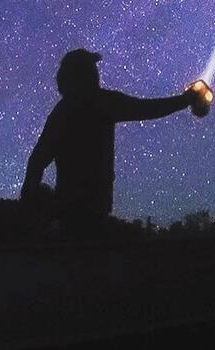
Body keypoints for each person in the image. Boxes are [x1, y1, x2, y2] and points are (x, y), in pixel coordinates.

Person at [20, 49, 201, 227]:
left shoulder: (62, 112)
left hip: (69, 210)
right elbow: (145, 108)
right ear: (84, 74)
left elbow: (37, 160)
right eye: (91, 69)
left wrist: (28, 206)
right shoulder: (101, 102)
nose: (96, 74)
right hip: (90, 211)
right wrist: (184, 100)